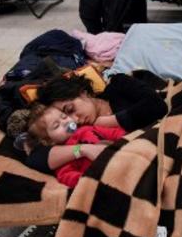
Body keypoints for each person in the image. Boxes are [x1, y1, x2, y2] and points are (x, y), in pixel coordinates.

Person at [25, 73, 167, 174]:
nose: (74, 120)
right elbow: (35, 159)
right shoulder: (77, 132)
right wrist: (81, 149)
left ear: (83, 93)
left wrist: (110, 121)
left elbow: (157, 105)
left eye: (70, 109)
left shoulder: (118, 84)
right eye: (65, 117)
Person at [26, 103, 127, 187]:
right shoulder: (62, 157)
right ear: (49, 141)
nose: (65, 122)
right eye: (56, 125)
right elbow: (67, 177)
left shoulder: (88, 128)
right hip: (104, 176)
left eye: (64, 117)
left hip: (122, 158)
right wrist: (91, 179)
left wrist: (125, 140)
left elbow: (114, 133)